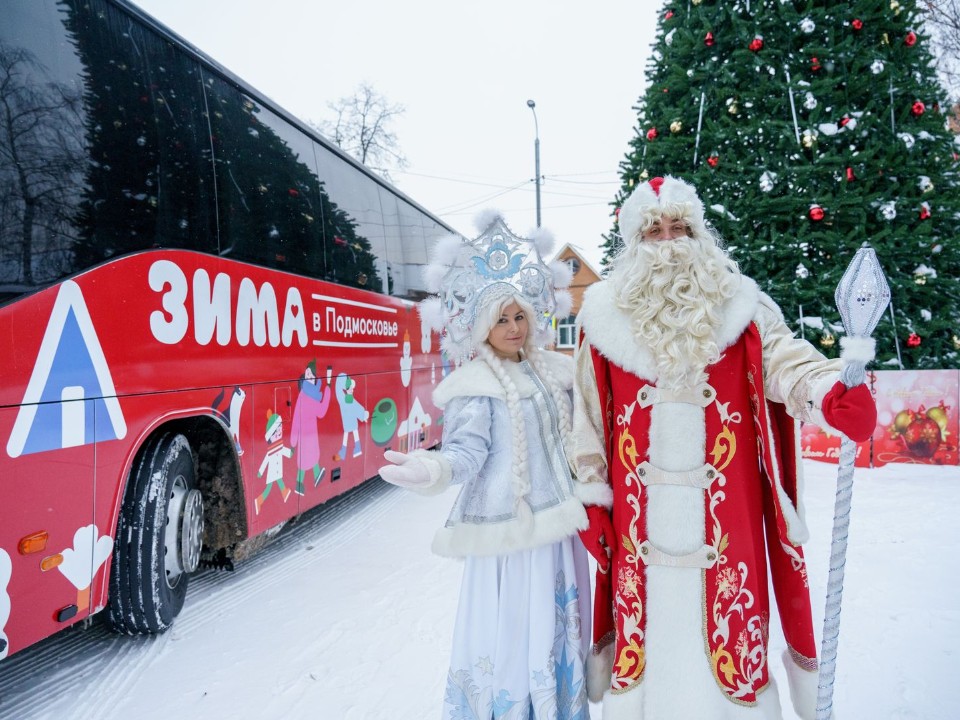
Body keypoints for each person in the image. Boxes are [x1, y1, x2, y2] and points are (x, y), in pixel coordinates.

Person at [572, 176, 878, 720]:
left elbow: (789, 363)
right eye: (654, 232)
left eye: (680, 227)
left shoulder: (744, 308)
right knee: (646, 655)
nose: (669, 242)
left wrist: (829, 392)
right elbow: (588, 423)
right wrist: (593, 498)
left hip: (724, 531)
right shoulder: (601, 320)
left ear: (699, 232)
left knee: (729, 655)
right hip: (638, 535)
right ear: (633, 244)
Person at [379, 213, 605, 720]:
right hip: (508, 542)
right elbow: (466, 452)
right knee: (510, 634)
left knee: (554, 629)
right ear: (482, 326)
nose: (512, 328)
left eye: (519, 316)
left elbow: (582, 438)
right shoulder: (475, 384)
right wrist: (432, 470)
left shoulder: (557, 372)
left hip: (559, 538)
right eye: (500, 319)